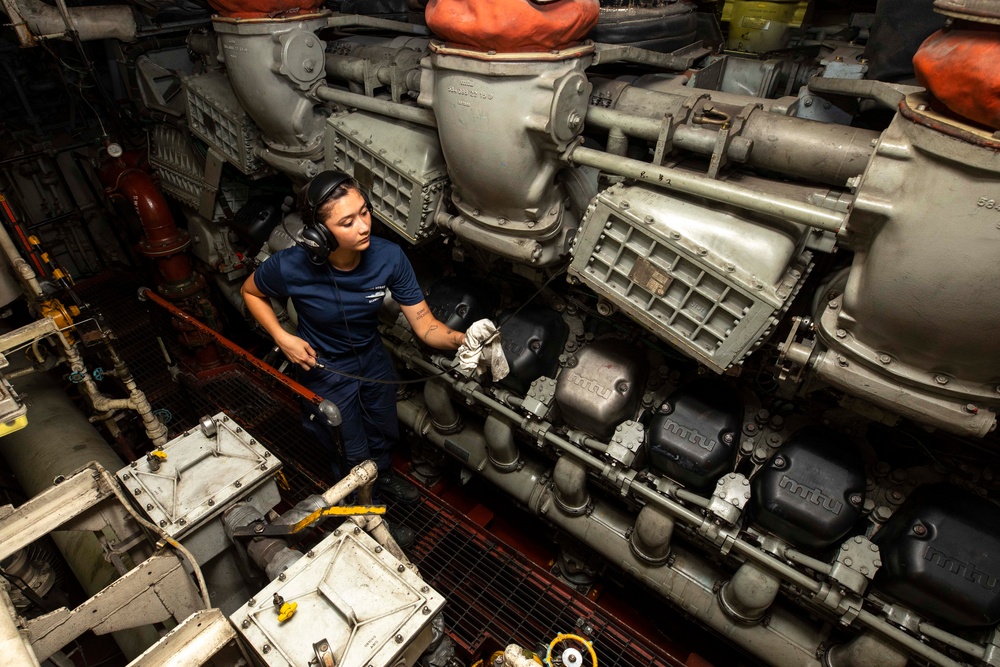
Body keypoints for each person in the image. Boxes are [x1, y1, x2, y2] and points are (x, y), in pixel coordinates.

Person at [241, 171, 465, 514]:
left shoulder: (389, 257)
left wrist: (464, 340)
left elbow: (426, 326)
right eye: (347, 222)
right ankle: (366, 511)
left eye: (364, 212)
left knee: (383, 431)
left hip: (371, 358)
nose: (364, 226)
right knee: (349, 448)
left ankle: (382, 476)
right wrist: (282, 336)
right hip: (324, 368)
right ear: (320, 234)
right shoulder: (291, 265)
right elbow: (250, 291)